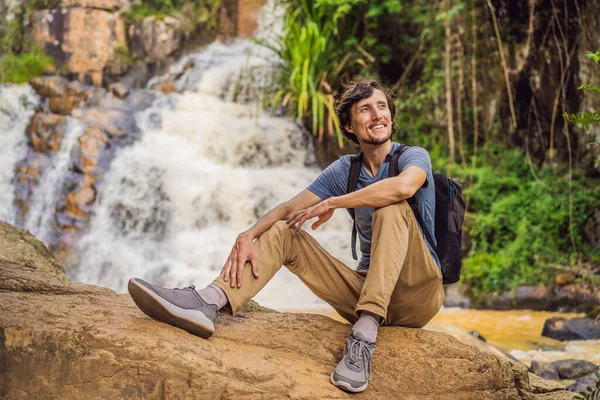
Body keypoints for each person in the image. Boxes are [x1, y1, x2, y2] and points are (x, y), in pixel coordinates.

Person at [128, 78, 444, 394]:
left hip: (417, 293)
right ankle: (209, 301)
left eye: (382, 107)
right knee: (284, 232)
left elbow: (404, 187)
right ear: (349, 125)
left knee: (391, 207)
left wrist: (333, 201)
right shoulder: (345, 170)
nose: (378, 115)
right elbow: (288, 208)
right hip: (363, 292)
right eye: (366, 109)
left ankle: (362, 340)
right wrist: (248, 234)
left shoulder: (412, 156)